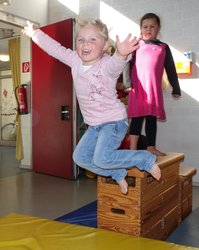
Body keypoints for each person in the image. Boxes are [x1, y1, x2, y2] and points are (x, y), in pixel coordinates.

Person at [22, 17, 161, 195]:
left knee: (102, 158)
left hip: (113, 122)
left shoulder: (106, 65)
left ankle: (145, 158)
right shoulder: (74, 60)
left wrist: (121, 54)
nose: (85, 43)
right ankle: (116, 172)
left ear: (104, 46)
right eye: (80, 39)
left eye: (92, 39)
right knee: (80, 157)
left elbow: (116, 64)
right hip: (94, 126)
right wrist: (35, 33)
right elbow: (55, 49)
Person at [124, 13, 181, 156]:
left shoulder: (163, 47)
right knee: (136, 118)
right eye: (145, 27)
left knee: (151, 118)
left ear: (158, 28)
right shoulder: (137, 45)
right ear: (141, 29)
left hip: (153, 89)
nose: (148, 30)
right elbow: (125, 63)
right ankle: (132, 149)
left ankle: (151, 147)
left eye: (152, 27)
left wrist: (176, 87)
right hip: (138, 88)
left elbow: (170, 68)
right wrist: (127, 83)